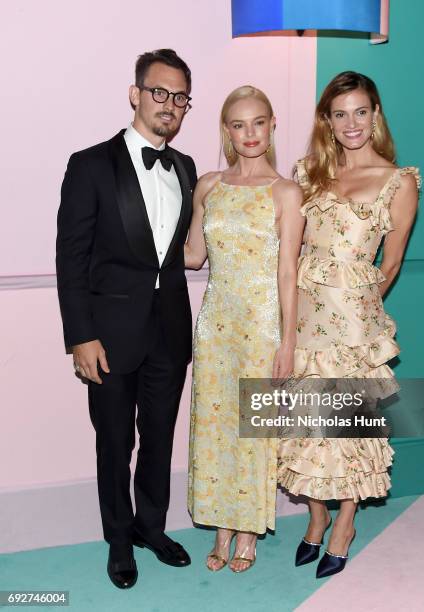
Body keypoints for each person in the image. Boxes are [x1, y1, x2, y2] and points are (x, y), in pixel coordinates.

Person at [56, 49, 197, 589]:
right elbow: (71, 257)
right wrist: (79, 336)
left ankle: (150, 527)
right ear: (136, 94)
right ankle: (118, 540)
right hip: (108, 336)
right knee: (115, 441)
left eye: (180, 97)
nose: (170, 104)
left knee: (159, 436)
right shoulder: (90, 164)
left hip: (169, 331)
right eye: (160, 92)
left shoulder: (184, 168)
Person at [277, 71, 421, 578]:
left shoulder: (400, 181)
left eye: (361, 111)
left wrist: (357, 306)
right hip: (301, 316)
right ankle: (315, 519)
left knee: (347, 429)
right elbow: (288, 252)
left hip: (353, 325)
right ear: (327, 121)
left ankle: (344, 523)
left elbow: (392, 264)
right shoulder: (308, 172)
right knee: (302, 425)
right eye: (340, 114)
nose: (351, 123)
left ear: (375, 115)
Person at [185, 86, 304, 572]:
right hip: (215, 325)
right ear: (226, 131)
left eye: (258, 123)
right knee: (214, 427)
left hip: (261, 327)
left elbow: (288, 273)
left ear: (272, 125)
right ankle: (222, 526)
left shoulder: (286, 191)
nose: (249, 134)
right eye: (238, 124)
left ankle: (251, 530)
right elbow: (193, 255)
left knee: (254, 428)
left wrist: (288, 340)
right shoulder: (209, 185)